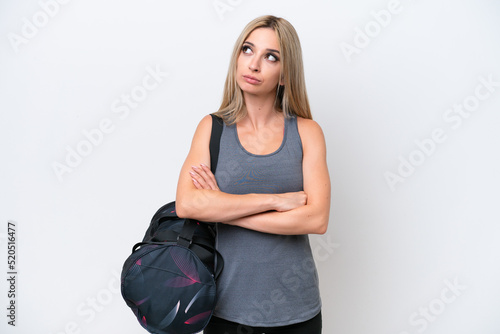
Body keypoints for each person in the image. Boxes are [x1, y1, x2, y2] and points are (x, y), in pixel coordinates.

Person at [175, 15, 330, 334]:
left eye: (270, 56)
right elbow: (187, 206)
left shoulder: (307, 133)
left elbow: (316, 219)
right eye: (248, 50)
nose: (254, 64)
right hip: (225, 311)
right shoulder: (211, 129)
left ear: (285, 74)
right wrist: (276, 201)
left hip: (297, 312)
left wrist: (223, 209)